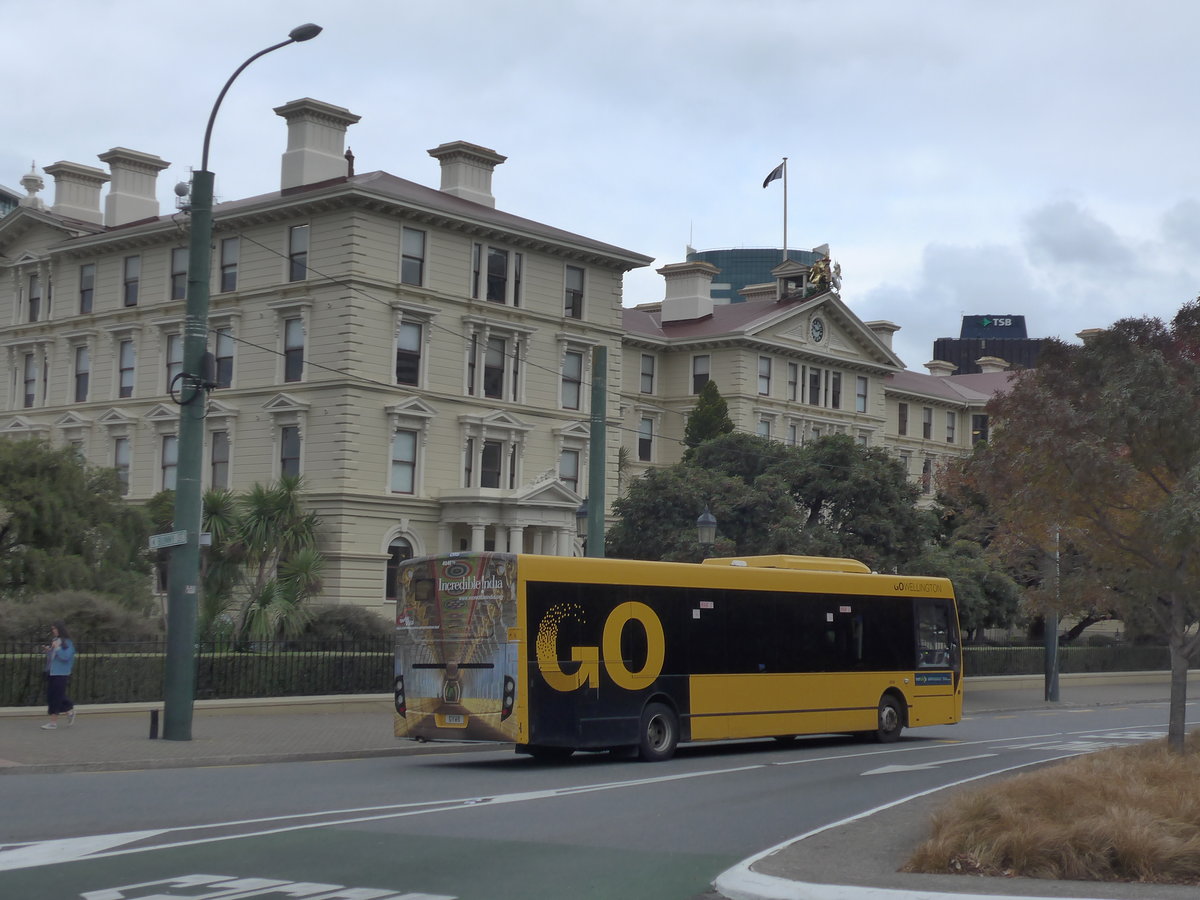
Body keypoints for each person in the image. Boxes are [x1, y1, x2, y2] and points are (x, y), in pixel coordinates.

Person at [42, 621, 76, 730]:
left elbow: (66, 657)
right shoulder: (55, 640)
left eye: (55, 629)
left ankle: (53, 722)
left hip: (61, 673)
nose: (53, 631)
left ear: (60, 629)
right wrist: (49, 651)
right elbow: (54, 657)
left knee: (55, 697)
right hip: (51, 672)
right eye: (52, 629)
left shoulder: (68, 642)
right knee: (53, 696)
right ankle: (69, 710)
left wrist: (57, 648)